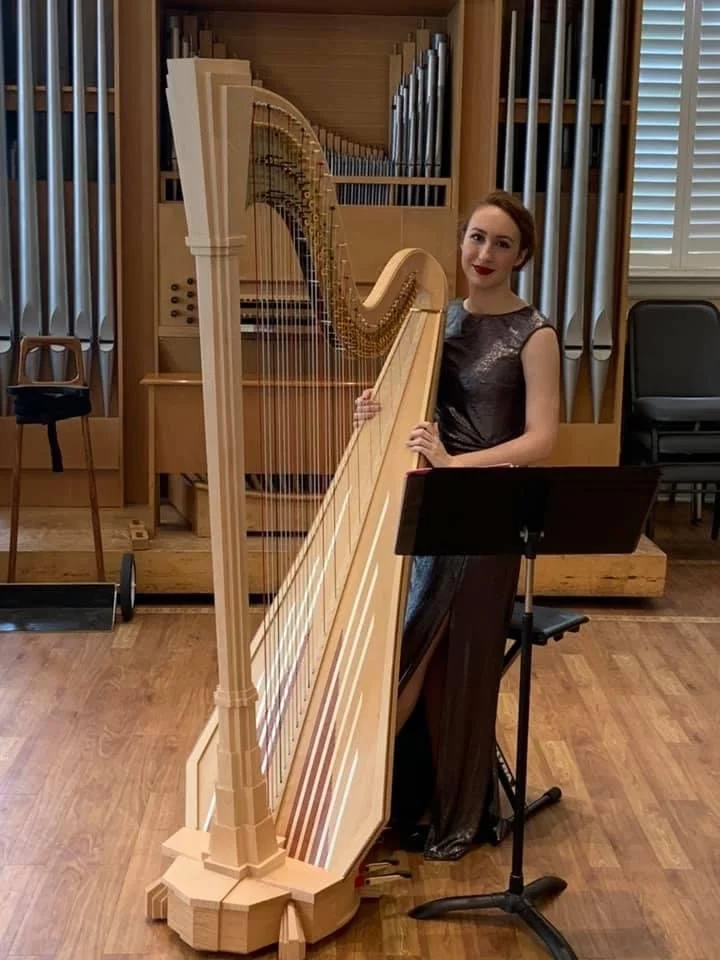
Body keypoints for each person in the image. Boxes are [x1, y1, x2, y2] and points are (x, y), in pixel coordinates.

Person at [354, 189, 560, 861]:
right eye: (476, 237)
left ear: (521, 256)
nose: (484, 253)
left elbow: (541, 440)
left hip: (487, 517)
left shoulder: (536, 333)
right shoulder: (436, 322)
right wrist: (372, 414)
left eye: (501, 243)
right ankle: (386, 803)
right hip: (434, 512)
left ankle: (449, 809)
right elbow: (412, 412)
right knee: (412, 654)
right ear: (461, 241)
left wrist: (458, 461)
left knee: (449, 662)